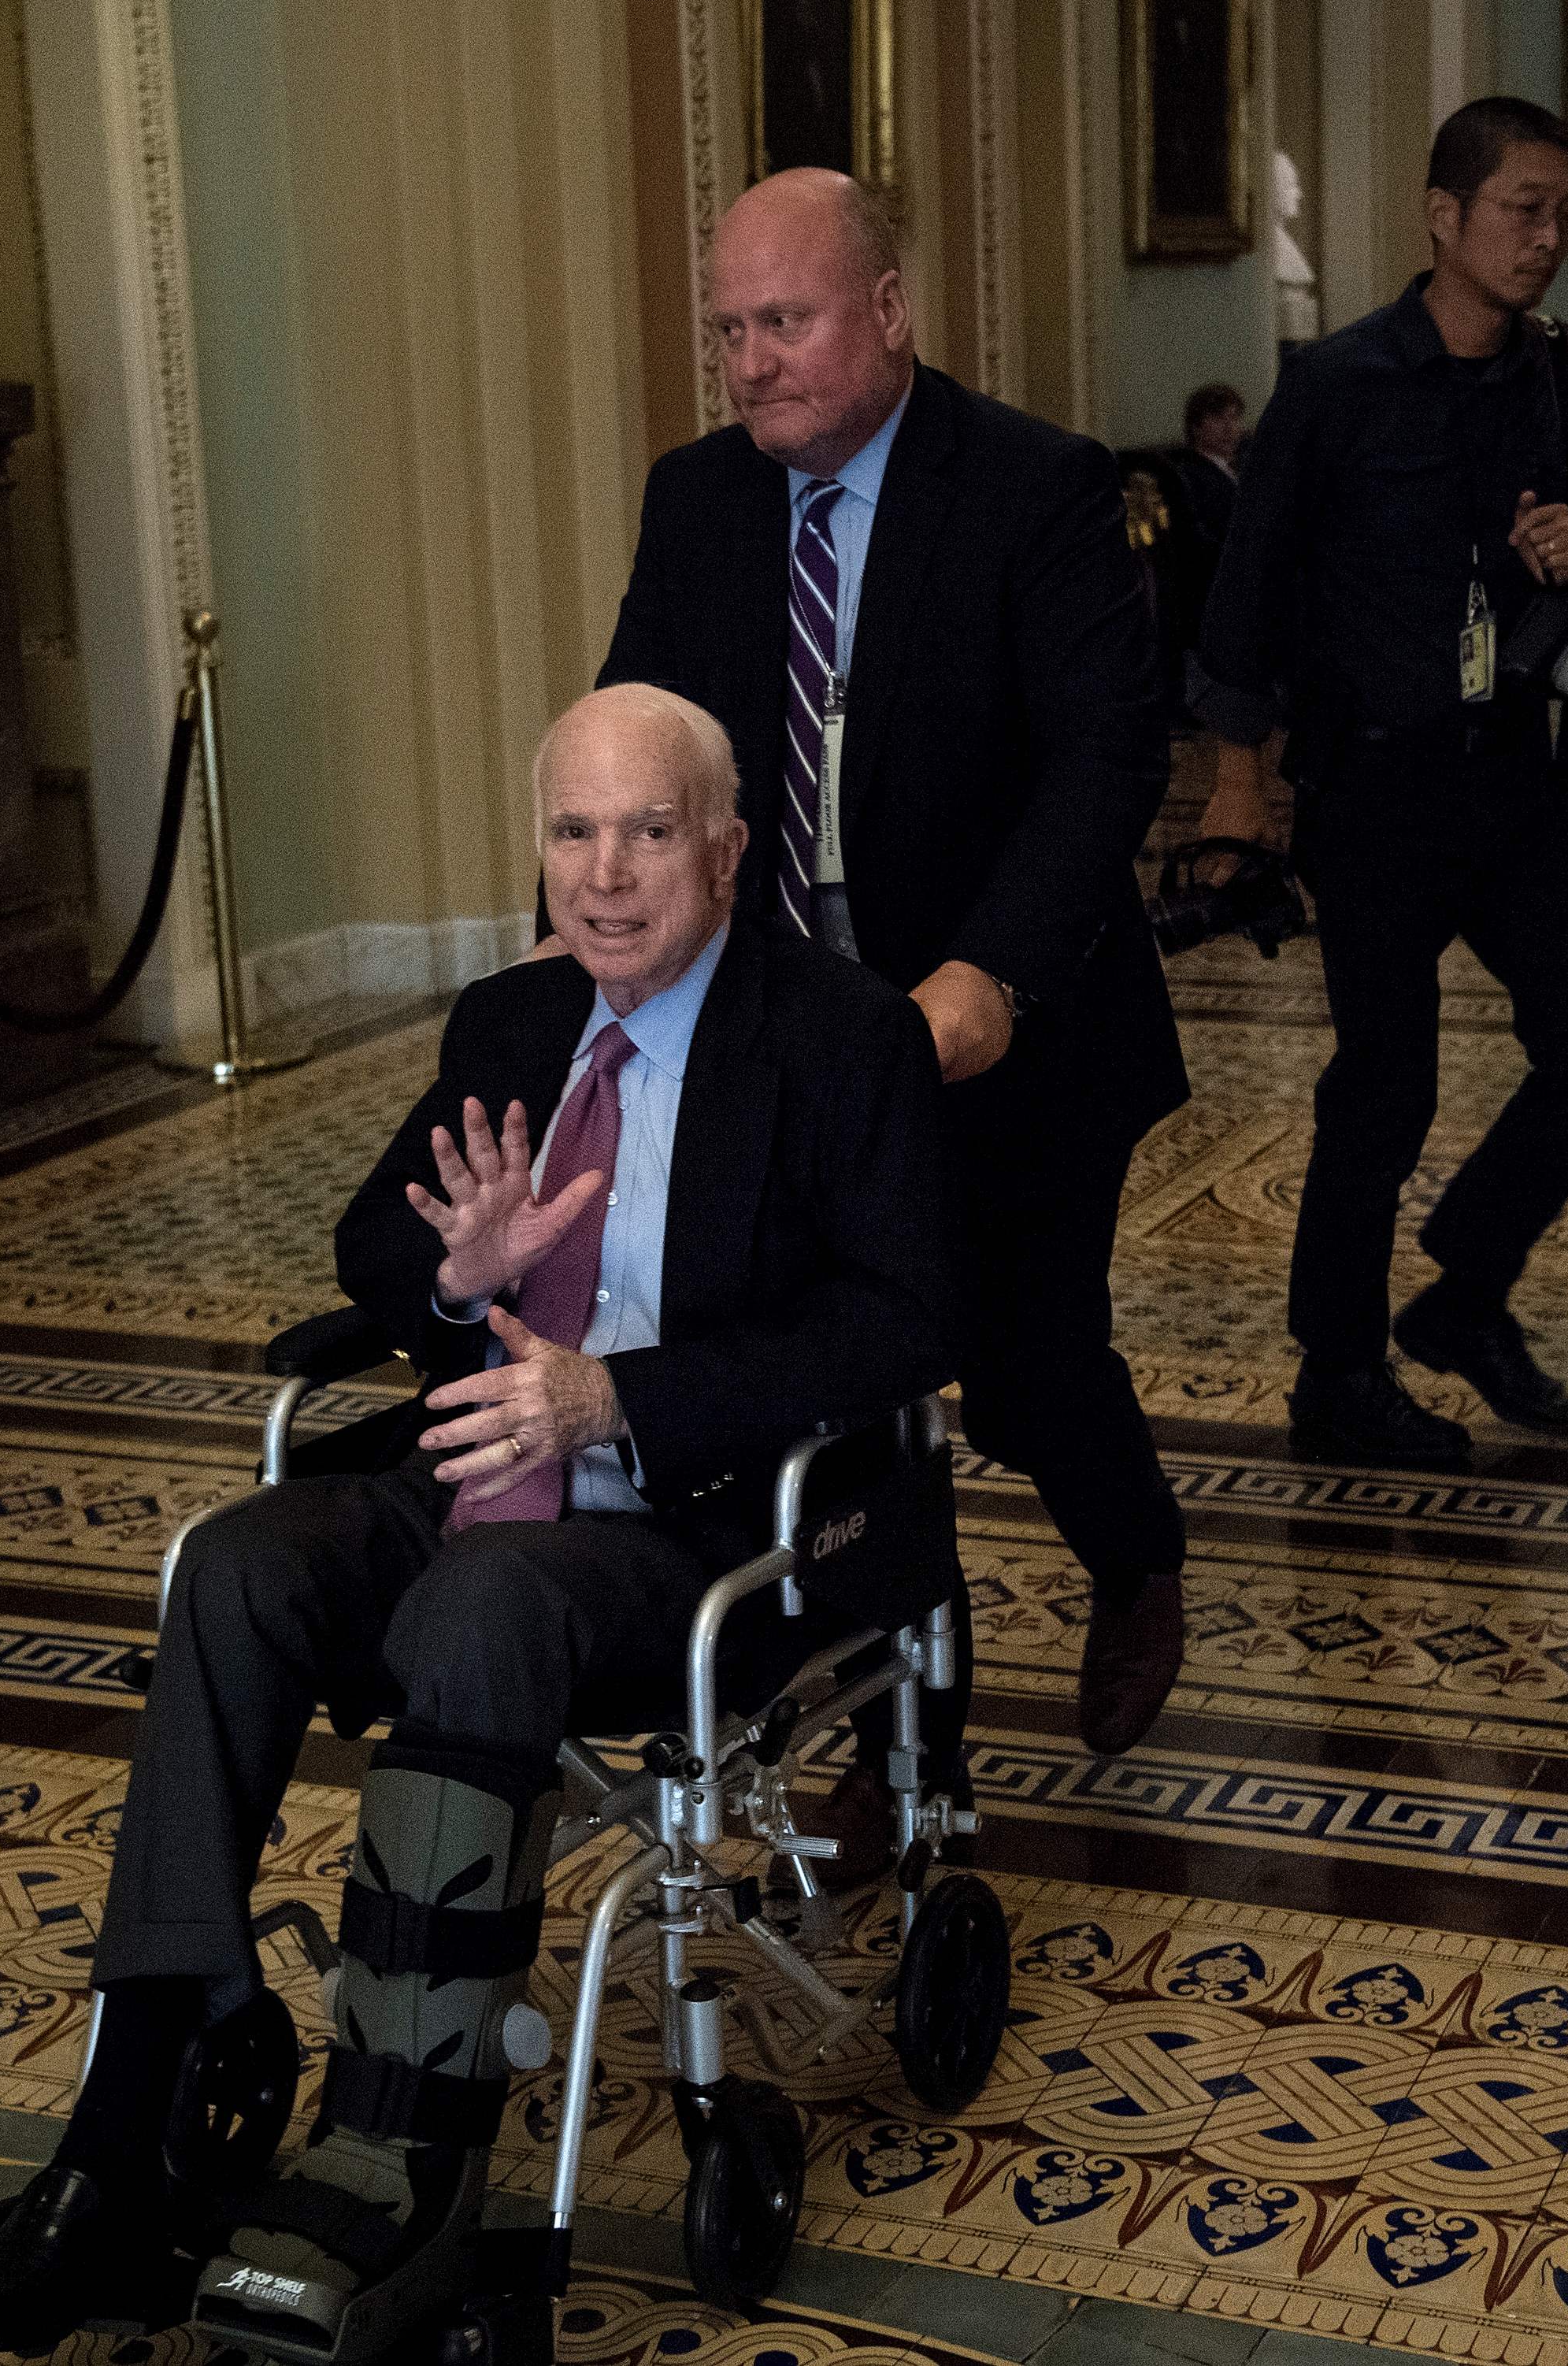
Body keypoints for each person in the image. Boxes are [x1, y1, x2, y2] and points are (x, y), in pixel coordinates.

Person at [0, 685, 959, 2357]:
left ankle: (397, 2149)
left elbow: (907, 1318)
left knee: (488, 1607)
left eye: (646, 829)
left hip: (694, 1528)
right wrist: (456, 1276)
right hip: (479, 1475)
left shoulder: (842, 1036)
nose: (606, 873)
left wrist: (618, 1396)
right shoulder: (509, 1021)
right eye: (572, 830)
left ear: (726, 847)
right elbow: (371, 1249)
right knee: (237, 1560)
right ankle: (134, 2127)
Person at [594, 171, 1195, 1759]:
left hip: (1015, 1025)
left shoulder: (1036, 486)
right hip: (794, 1044)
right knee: (838, 1390)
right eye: (729, 330)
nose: (750, 362)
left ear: (886, 311)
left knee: (1020, 1361)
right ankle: (899, 1747)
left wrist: (993, 965)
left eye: (781, 322)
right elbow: (640, 732)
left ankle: (1136, 1554)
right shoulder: (699, 498)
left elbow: (1103, 755)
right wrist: (593, 904)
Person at [1192, 95, 1568, 1474]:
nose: (1548, 236)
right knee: (1384, 1088)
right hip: (1373, 794)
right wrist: (1236, 786)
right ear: (1443, 217)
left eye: (1567, 210)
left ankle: (1463, 1294)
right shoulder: (1336, 383)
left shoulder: (1563, 372)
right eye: (1524, 207)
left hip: (1510, 779)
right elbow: (1249, 583)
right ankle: (1337, 1372)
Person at [1181, 381, 1247, 546]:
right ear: (1196, 427)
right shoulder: (1190, 477)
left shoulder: (1244, 465)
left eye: (1234, 418)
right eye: (1218, 419)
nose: (1230, 428)